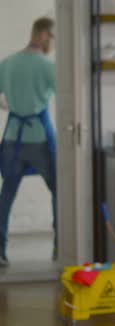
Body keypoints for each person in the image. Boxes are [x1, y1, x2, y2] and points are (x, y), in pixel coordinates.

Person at [0, 17, 57, 266]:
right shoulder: (47, 66)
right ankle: (61, 247)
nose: (53, 45)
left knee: (6, 195)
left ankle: (0, 251)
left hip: (13, 136)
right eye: (53, 39)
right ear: (44, 35)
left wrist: (12, 106)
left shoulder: (8, 63)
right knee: (59, 191)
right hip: (40, 138)